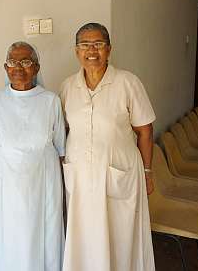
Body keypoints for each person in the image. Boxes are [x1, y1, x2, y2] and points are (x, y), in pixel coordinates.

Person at [60, 23, 155, 271]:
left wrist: (147, 171)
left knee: (120, 237)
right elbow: (63, 130)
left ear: (109, 50)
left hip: (119, 172)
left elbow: (144, 131)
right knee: (83, 235)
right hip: (80, 176)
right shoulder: (68, 86)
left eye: (98, 44)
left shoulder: (127, 82)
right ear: (76, 51)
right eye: (85, 45)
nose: (92, 50)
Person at [0, 42, 66, 271]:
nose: (18, 67)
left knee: (40, 232)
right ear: (5, 68)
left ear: (36, 68)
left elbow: (60, 149)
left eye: (26, 61)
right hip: (3, 183)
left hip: (43, 182)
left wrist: (63, 192)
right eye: (12, 62)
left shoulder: (51, 101)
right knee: (6, 233)